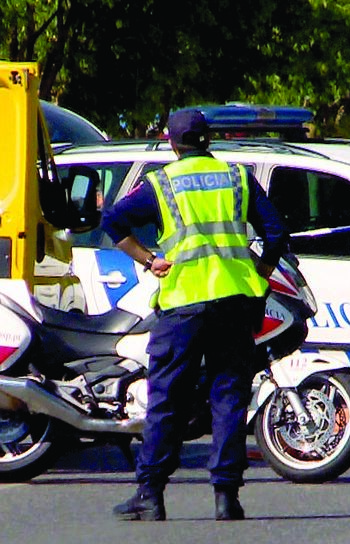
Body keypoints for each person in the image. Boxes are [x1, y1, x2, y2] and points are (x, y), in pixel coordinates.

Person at [104, 108, 289, 521]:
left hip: (183, 306)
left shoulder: (162, 183)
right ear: (209, 139)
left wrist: (148, 259)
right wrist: (259, 271)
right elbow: (276, 232)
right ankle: (227, 498)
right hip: (236, 301)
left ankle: (150, 495)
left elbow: (112, 220)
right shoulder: (238, 177)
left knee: (167, 398)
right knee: (229, 396)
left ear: (172, 143)